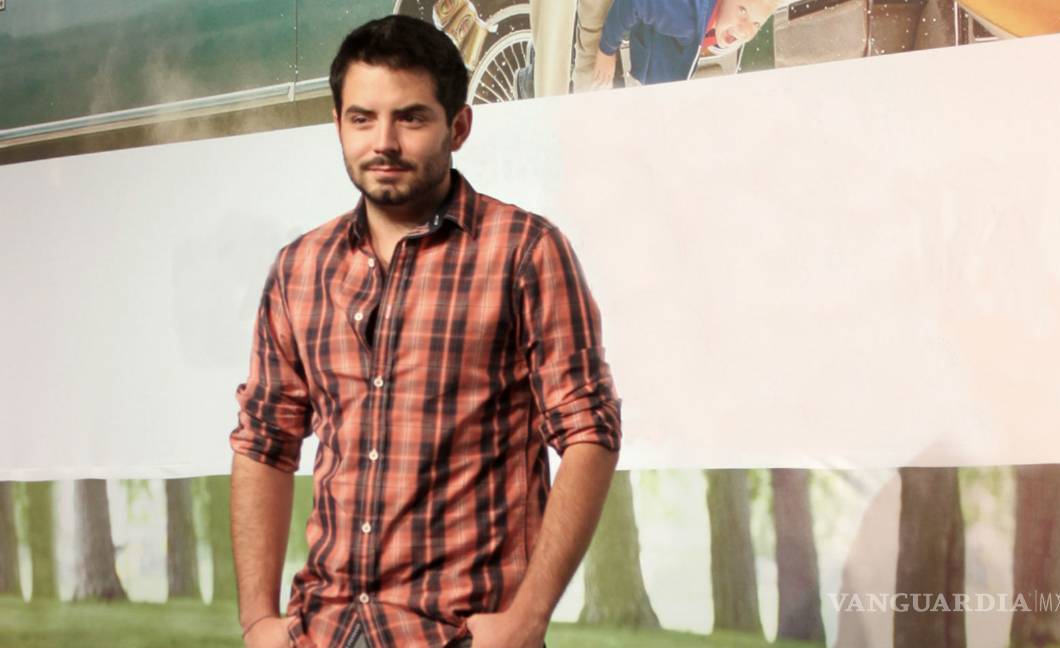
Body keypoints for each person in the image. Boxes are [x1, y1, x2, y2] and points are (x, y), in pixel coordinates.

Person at [229, 14, 622, 648]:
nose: (382, 142)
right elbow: (263, 442)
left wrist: (528, 618)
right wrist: (256, 619)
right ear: (337, 124)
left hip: (458, 634)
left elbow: (590, 431)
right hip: (324, 630)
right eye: (362, 119)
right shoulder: (300, 268)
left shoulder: (524, 251)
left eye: (410, 118)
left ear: (458, 127)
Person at [592, 0, 779, 87]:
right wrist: (607, 50)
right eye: (743, 11)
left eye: (756, 24)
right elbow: (634, 3)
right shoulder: (688, 19)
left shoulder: (721, 22)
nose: (745, 31)